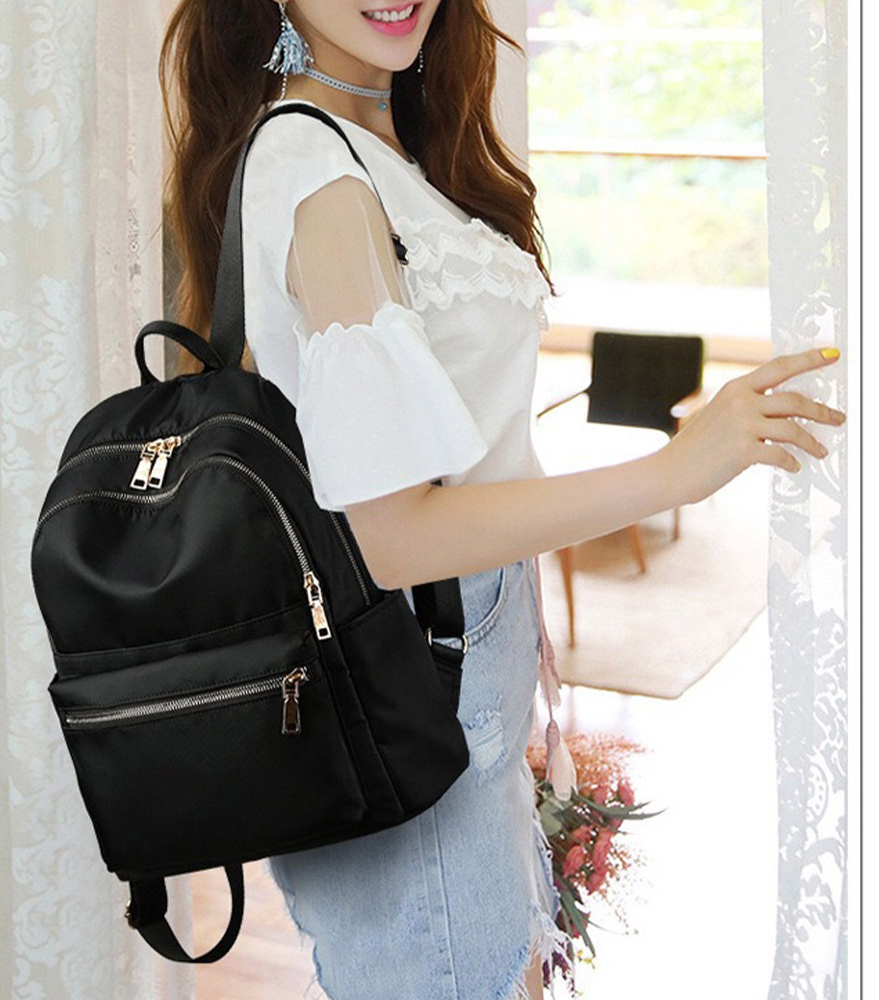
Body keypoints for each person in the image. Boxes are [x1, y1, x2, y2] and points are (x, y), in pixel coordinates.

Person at [159, 2, 847, 997]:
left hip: (453, 671)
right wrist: (675, 470)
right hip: (414, 677)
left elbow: (458, 459)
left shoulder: (375, 141)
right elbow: (390, 537)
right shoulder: (315, 171)